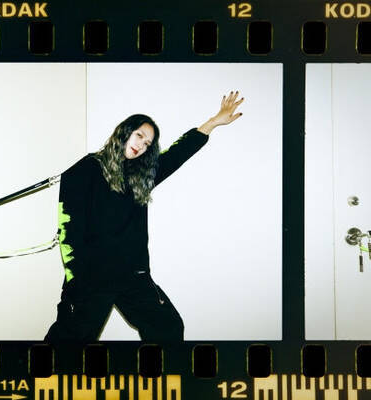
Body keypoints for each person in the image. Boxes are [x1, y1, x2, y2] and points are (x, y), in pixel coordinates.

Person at [45, 91, 244, 342]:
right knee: (69, 342)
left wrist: (213, 122)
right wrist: (77, 280)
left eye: (148, 143)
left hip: (133, 276)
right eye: (139, 135)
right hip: (91, 277)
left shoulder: (141, 178)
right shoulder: (87, 168)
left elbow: (176, 154)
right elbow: (68, 229)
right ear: (124, 131)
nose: (141, 145)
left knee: (168, 327)